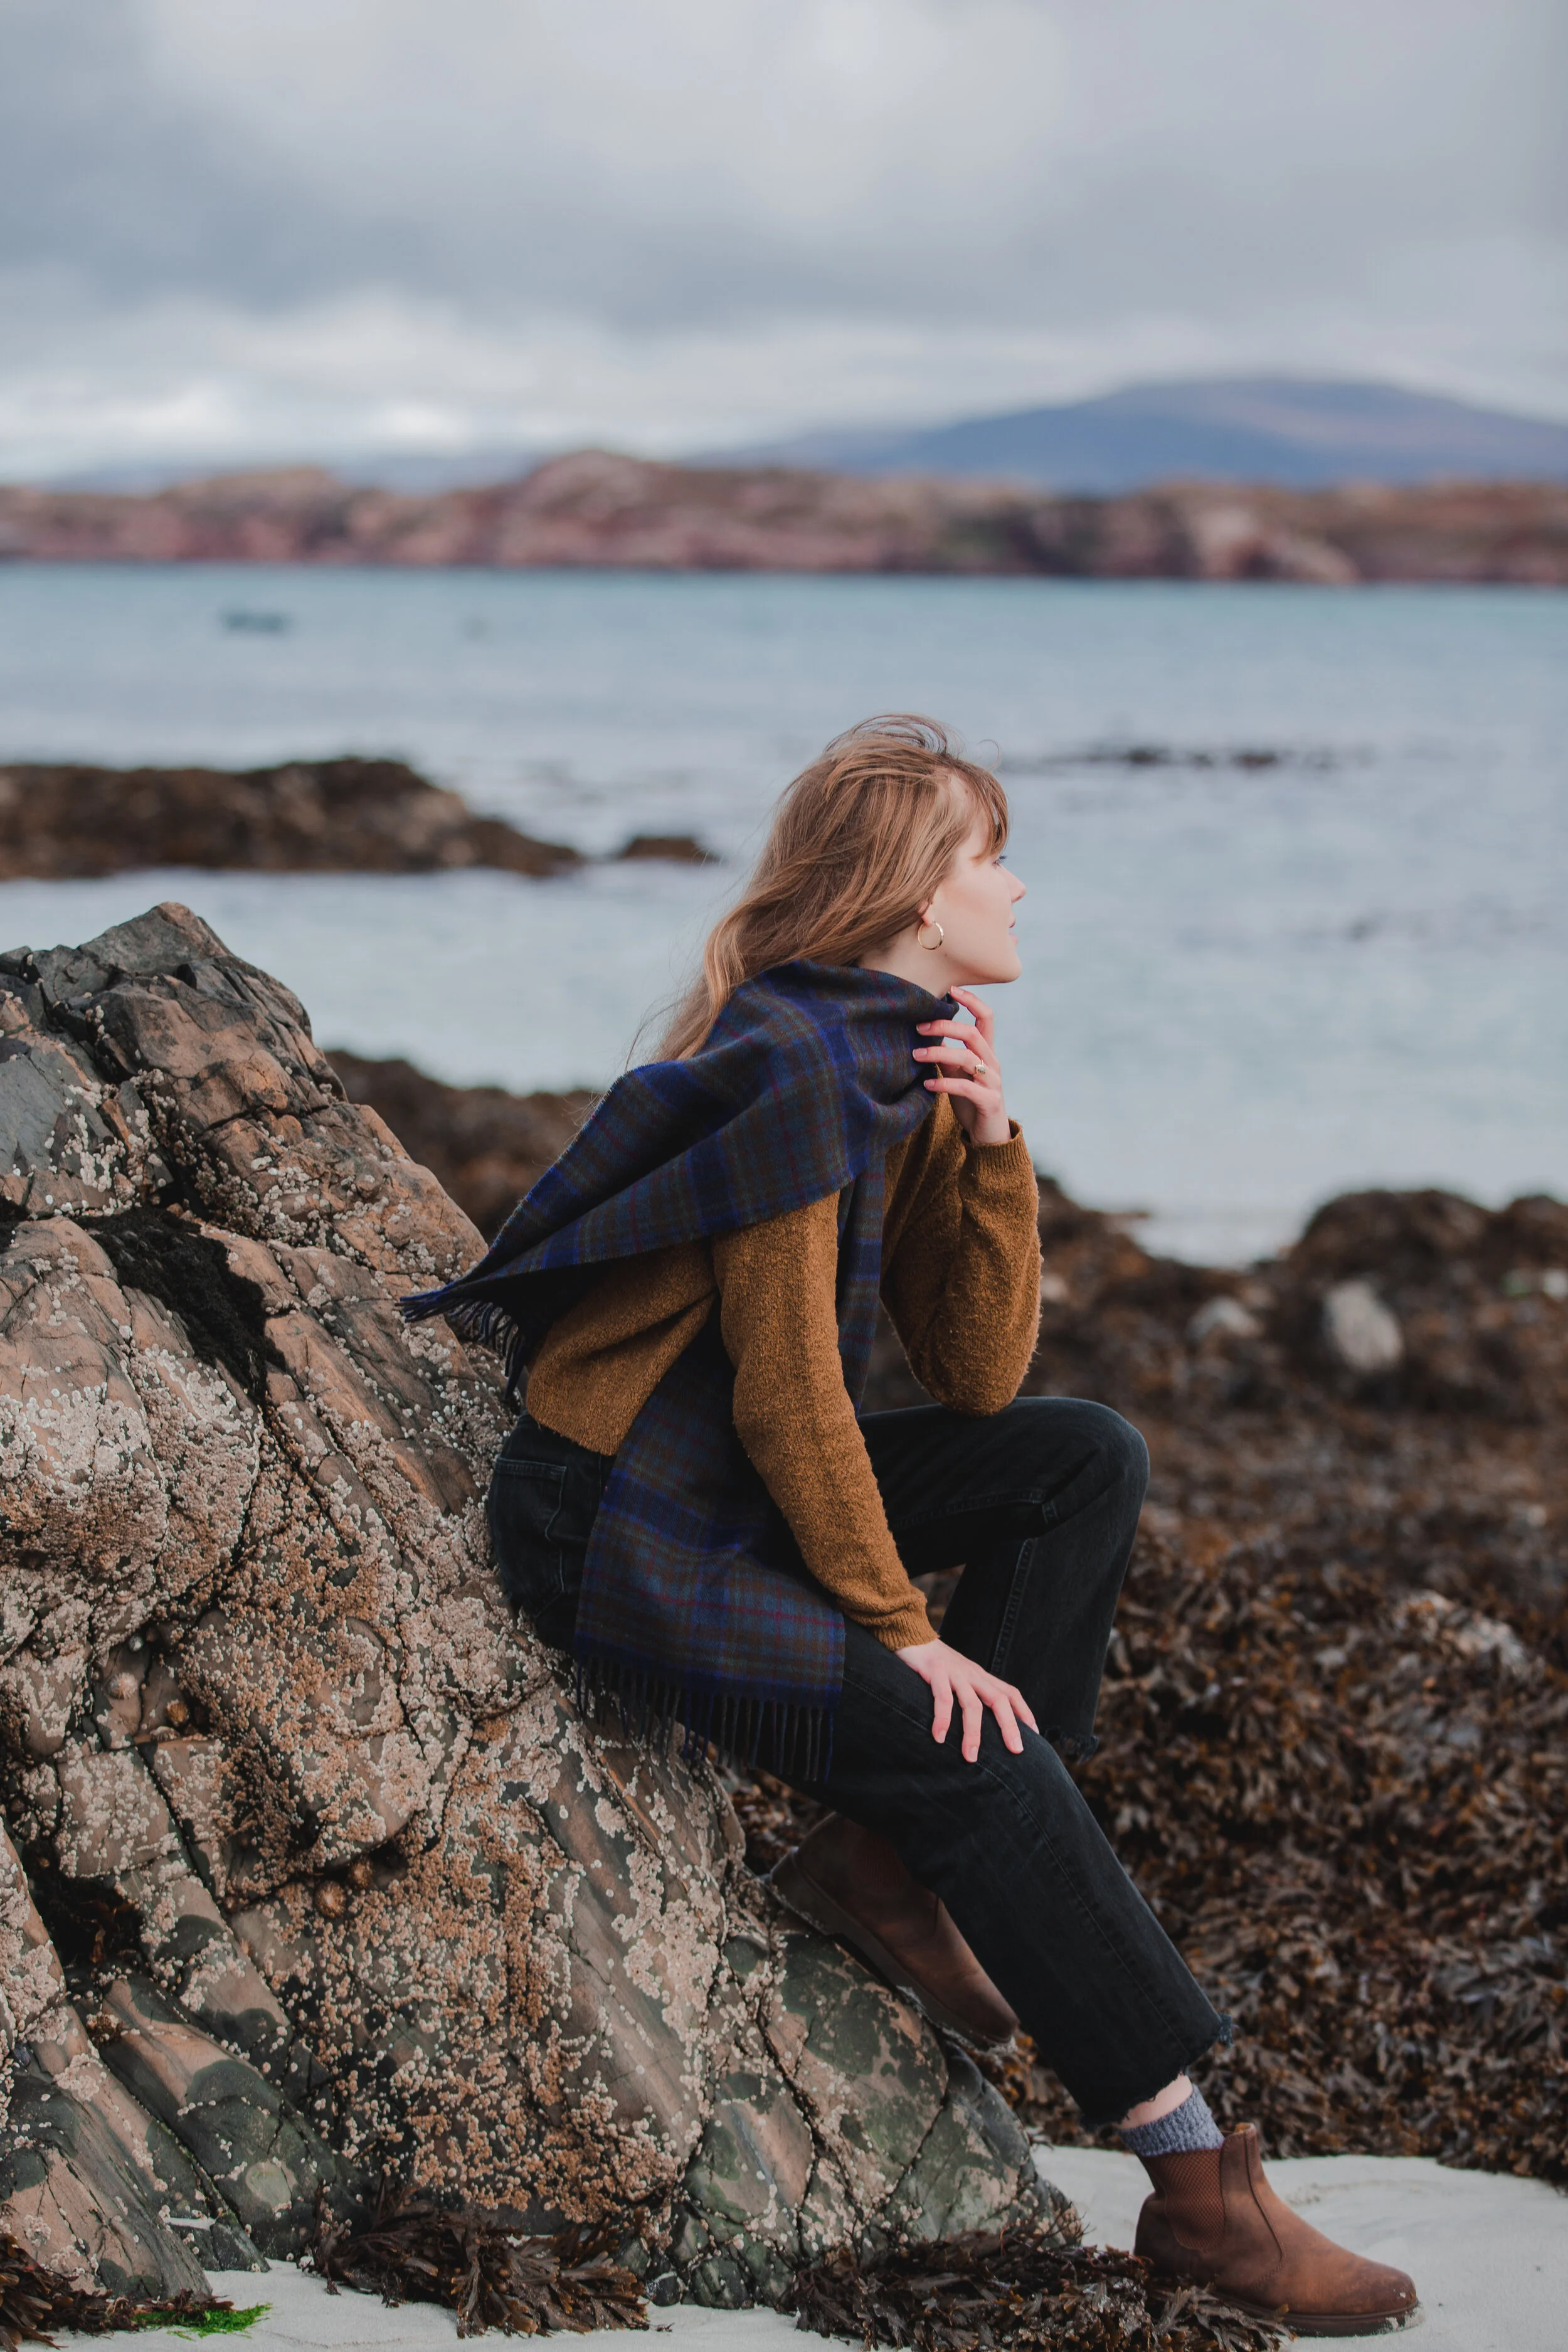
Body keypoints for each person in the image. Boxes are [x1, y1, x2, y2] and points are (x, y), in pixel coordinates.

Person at [406, 716, 1417, 2338]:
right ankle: (1199, 2194)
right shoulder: (799, 1067)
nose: (1015, 882)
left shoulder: (888, 1048)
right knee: (980, 1745)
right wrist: (900, 1628)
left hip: (714, 1489)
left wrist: (988, 1148)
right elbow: (788, 1391)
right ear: (910, 889)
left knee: (1076, 1453)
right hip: (623, 1521)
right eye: (987, 853)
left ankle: (887, 1849)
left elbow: (973, 1370)